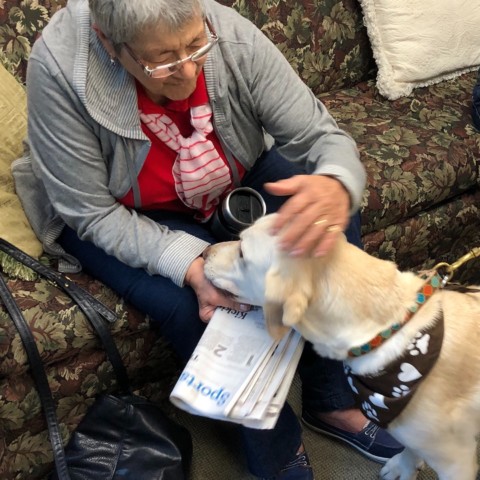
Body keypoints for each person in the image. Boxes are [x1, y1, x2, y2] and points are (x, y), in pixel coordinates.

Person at [14, 0, 404, 478]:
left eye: (197, 45)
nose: (188, 70)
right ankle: (275, 452)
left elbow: (319, 135)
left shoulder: (228, 34)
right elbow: (89, 213)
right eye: (163, 60)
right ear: (110, 45)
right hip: (118, 210)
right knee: (203, 304)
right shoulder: (58, 69)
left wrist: (336, 182)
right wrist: (190, 261)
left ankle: (330, 399)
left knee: (326, 225)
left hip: (229, 171)